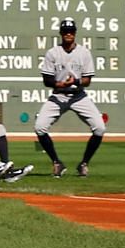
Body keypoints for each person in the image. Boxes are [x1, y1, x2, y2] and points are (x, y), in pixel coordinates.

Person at [35, 19, 105, 177]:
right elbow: (46, 80)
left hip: (78, 96)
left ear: (75, 33)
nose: (68, 33)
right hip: (58, 95)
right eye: (65, 31)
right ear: (61, 33)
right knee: (40, 127)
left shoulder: (84, 53)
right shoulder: (53, 53)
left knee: (100, 128)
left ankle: (84, 163)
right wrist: (58, 83)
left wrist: (76, 81)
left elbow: (87, 80)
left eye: (71, 31)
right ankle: (57, 163)